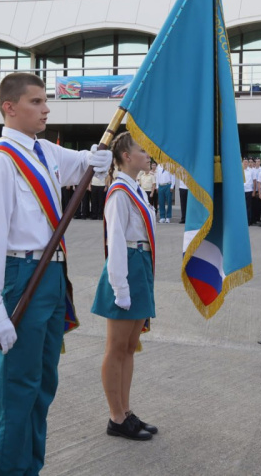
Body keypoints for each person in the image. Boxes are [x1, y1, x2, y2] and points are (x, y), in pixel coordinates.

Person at [0, 72, 111, 475]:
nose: (46, 109)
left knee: (44, 385)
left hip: (52, 274)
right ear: (9, 108)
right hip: (22, 273)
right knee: (20, 388)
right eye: (36, 102)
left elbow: (82, 165)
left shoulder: (44, 150)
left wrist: (97, 159)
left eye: (46, 100)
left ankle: (30, 467)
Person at [91, 131, 158, 441]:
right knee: (116, 347)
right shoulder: (119, 193)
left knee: (130, 347)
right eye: (142, 150)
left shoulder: (136, 189)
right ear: (127, 157)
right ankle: (115, 416)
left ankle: (126, 411)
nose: (148, 155)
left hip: (139, 265)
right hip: (126, 267)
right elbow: (115, 241)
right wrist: (120, 287)